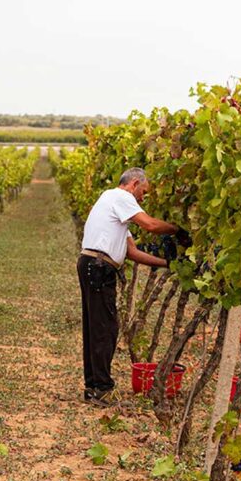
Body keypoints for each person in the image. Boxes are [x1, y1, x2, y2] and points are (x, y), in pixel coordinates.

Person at [78, 167, 178, 406]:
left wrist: (168, 264)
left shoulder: (110, 202)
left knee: (97, 327)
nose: (143, 199)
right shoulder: (121, 197)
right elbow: (150, 225)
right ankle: (102, 388)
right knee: (105, 329)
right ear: (134, 184)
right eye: (143, 192)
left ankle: (93, 386)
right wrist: (178, 230)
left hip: (92, 264)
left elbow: (131, 252)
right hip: (98, 266)